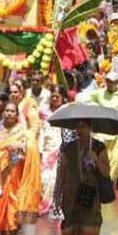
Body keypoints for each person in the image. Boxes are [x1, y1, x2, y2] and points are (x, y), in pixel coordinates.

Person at [0, 101, 42, 235]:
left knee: (13, 203)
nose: (8, 113)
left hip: (15, 174)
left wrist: (21, 147)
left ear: (17, 114)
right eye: (6, 111)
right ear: (2, 113)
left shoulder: (22, 132)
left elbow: (31, 150)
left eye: (12, 111)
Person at [55, 119, 110, 235]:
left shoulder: (98, 147)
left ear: (90, 128)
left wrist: (96, 159)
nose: (80, 130)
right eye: (78, 127)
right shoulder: (67, 148)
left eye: (83, 127)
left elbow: (106, 172)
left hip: (90, 197)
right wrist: (57, 196)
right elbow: (61, 172)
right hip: (71, 196)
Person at [76, 70, 118, 184]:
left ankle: (111, 183)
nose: (111, 84)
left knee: (116, 161)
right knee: (102, 159)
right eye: (109, 82)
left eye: (113, 82)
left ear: (117, 82)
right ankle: (103, 183)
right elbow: (84, 97)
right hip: (102, 133)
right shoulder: (100, 93)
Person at [38, 85, 67, 217]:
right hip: (46, 148)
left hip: (60, 148)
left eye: (57, 96)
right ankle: (43, 204)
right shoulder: (43, 110)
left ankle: (55, 206)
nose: (54, 99)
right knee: (43, 178)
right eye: (53, 96)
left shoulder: (66, 110)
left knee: (56, 178)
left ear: (63, 98)